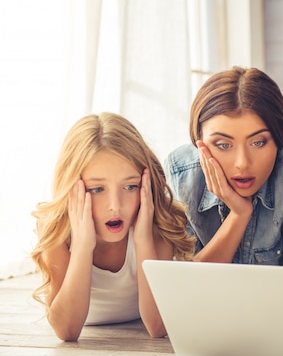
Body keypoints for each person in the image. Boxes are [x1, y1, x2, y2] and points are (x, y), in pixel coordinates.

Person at [31, 113, 195, 342]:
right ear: (72, 188)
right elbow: (66, 331)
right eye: (97, 189)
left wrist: (144, 241)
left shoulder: (156, 223)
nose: (115, 206)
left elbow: (158, 326)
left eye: (130, 186)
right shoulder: (57, 228)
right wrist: (81, 247)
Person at [164, 66, 283, 266]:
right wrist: (239, 215)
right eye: (223, 145)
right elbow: (186, 287)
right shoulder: (181, 173)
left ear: (278, 137)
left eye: (258, 142)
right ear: (199, 143)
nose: (242, 163)